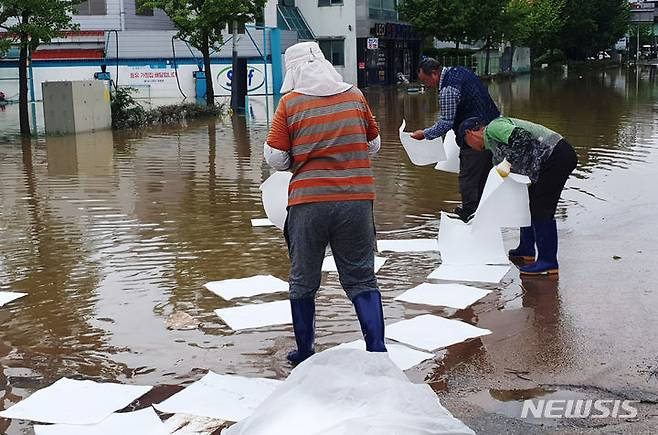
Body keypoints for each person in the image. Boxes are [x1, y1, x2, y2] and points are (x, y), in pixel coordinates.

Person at [264, 42, 386, 364]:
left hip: (309, 203)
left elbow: (276, 157)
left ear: (293, 71)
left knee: (303, 279)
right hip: (357, 200)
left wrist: (301, 154)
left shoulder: (289, 103)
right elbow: (374, 144)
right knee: (361, 278)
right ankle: (377, 351)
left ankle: (305, 353)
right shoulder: (355, 96)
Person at [457, 116, 578, 275]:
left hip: (556, 155)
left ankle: (548, 261)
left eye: (466, 144)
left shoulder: (494, 127)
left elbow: (523, 138)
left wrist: (508, 162)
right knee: (526, 203)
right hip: (545, 163)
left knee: (541, 208)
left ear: (470, 133)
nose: (471, 148)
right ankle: (526, 249)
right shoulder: (495, 153)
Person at [411, 58, 500, 221]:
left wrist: (424, 134)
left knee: (468, 176)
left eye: (426, 81)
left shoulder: (447, 89)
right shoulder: (462, 71)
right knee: (484, 175)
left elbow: (446, 122)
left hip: (474, 135)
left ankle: (469, 214)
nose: (428, 86)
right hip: (494, 130)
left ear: (434, 74)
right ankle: (484, 213)